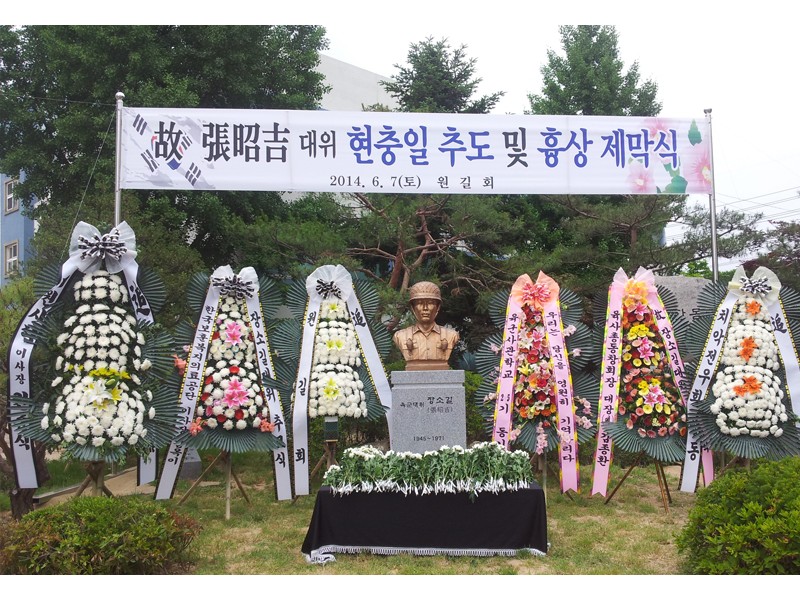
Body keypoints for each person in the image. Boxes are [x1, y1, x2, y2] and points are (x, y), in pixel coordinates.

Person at [392, 281, 459, 371]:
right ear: (413, 307)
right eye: (419, 303)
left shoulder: (451, 335)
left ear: (438, 307)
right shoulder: (400, 336)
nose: (425, 308)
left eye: (430, 303)